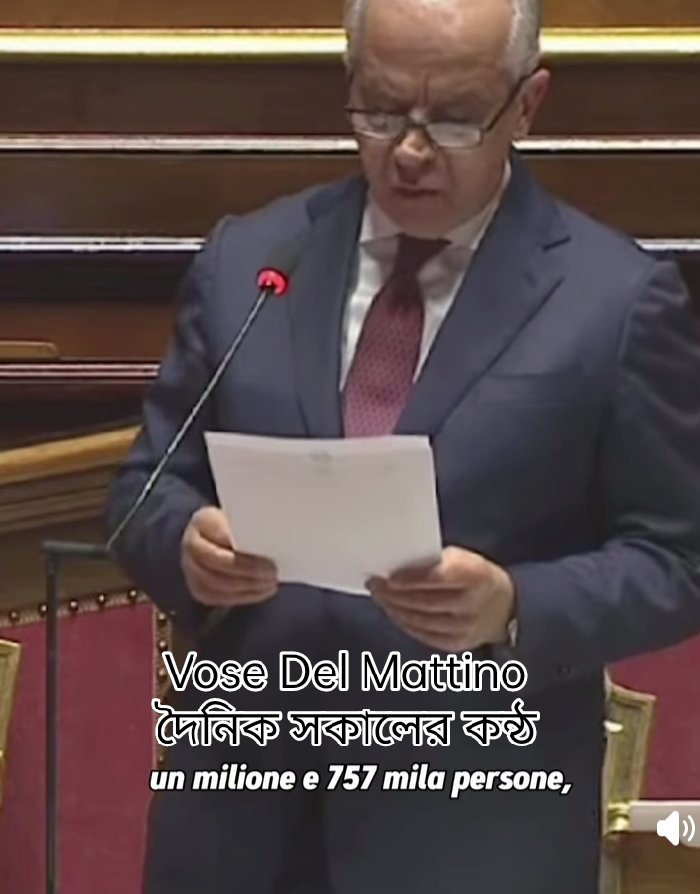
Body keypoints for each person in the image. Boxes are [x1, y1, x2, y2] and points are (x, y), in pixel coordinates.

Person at [106, 0, 700, 892]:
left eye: (454, 118)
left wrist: (513, 607)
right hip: (239, 829)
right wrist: (188, 548)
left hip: (471, 834)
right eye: (381, 111)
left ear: (526, 104)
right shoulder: (252, 261)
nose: (410, 151)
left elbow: (679, 561)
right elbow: (145, 491)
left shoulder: (614, 301)